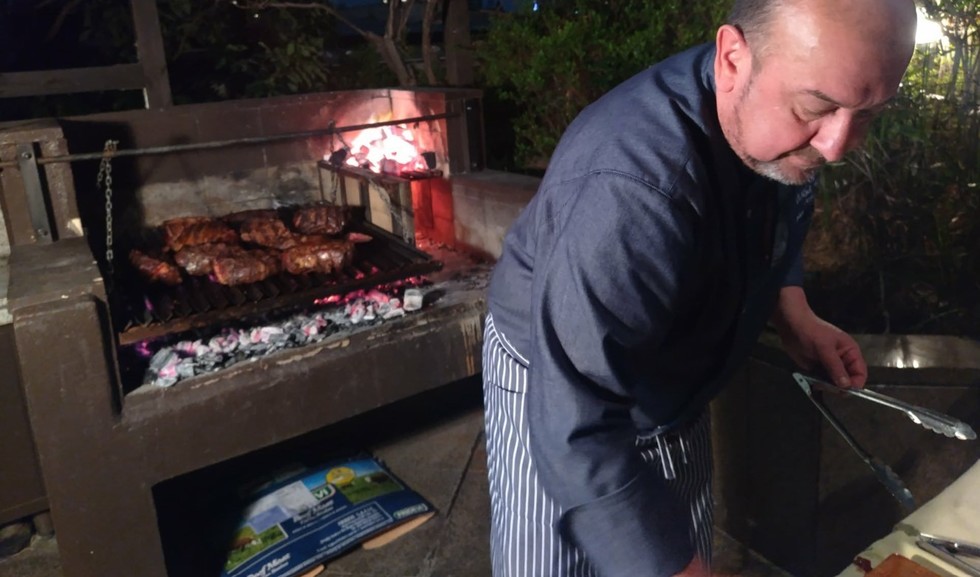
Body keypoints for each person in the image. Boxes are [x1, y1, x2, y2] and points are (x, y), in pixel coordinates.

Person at [481, 0, 918, 575]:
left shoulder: (776, 112)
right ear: (732, 58)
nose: (837, 146)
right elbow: (575, 427)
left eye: (868, 114)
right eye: (815, 108)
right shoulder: (629, 192)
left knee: (674, 538)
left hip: (677, 369)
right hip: (556, 369)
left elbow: (783, 199)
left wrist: (792, 310)